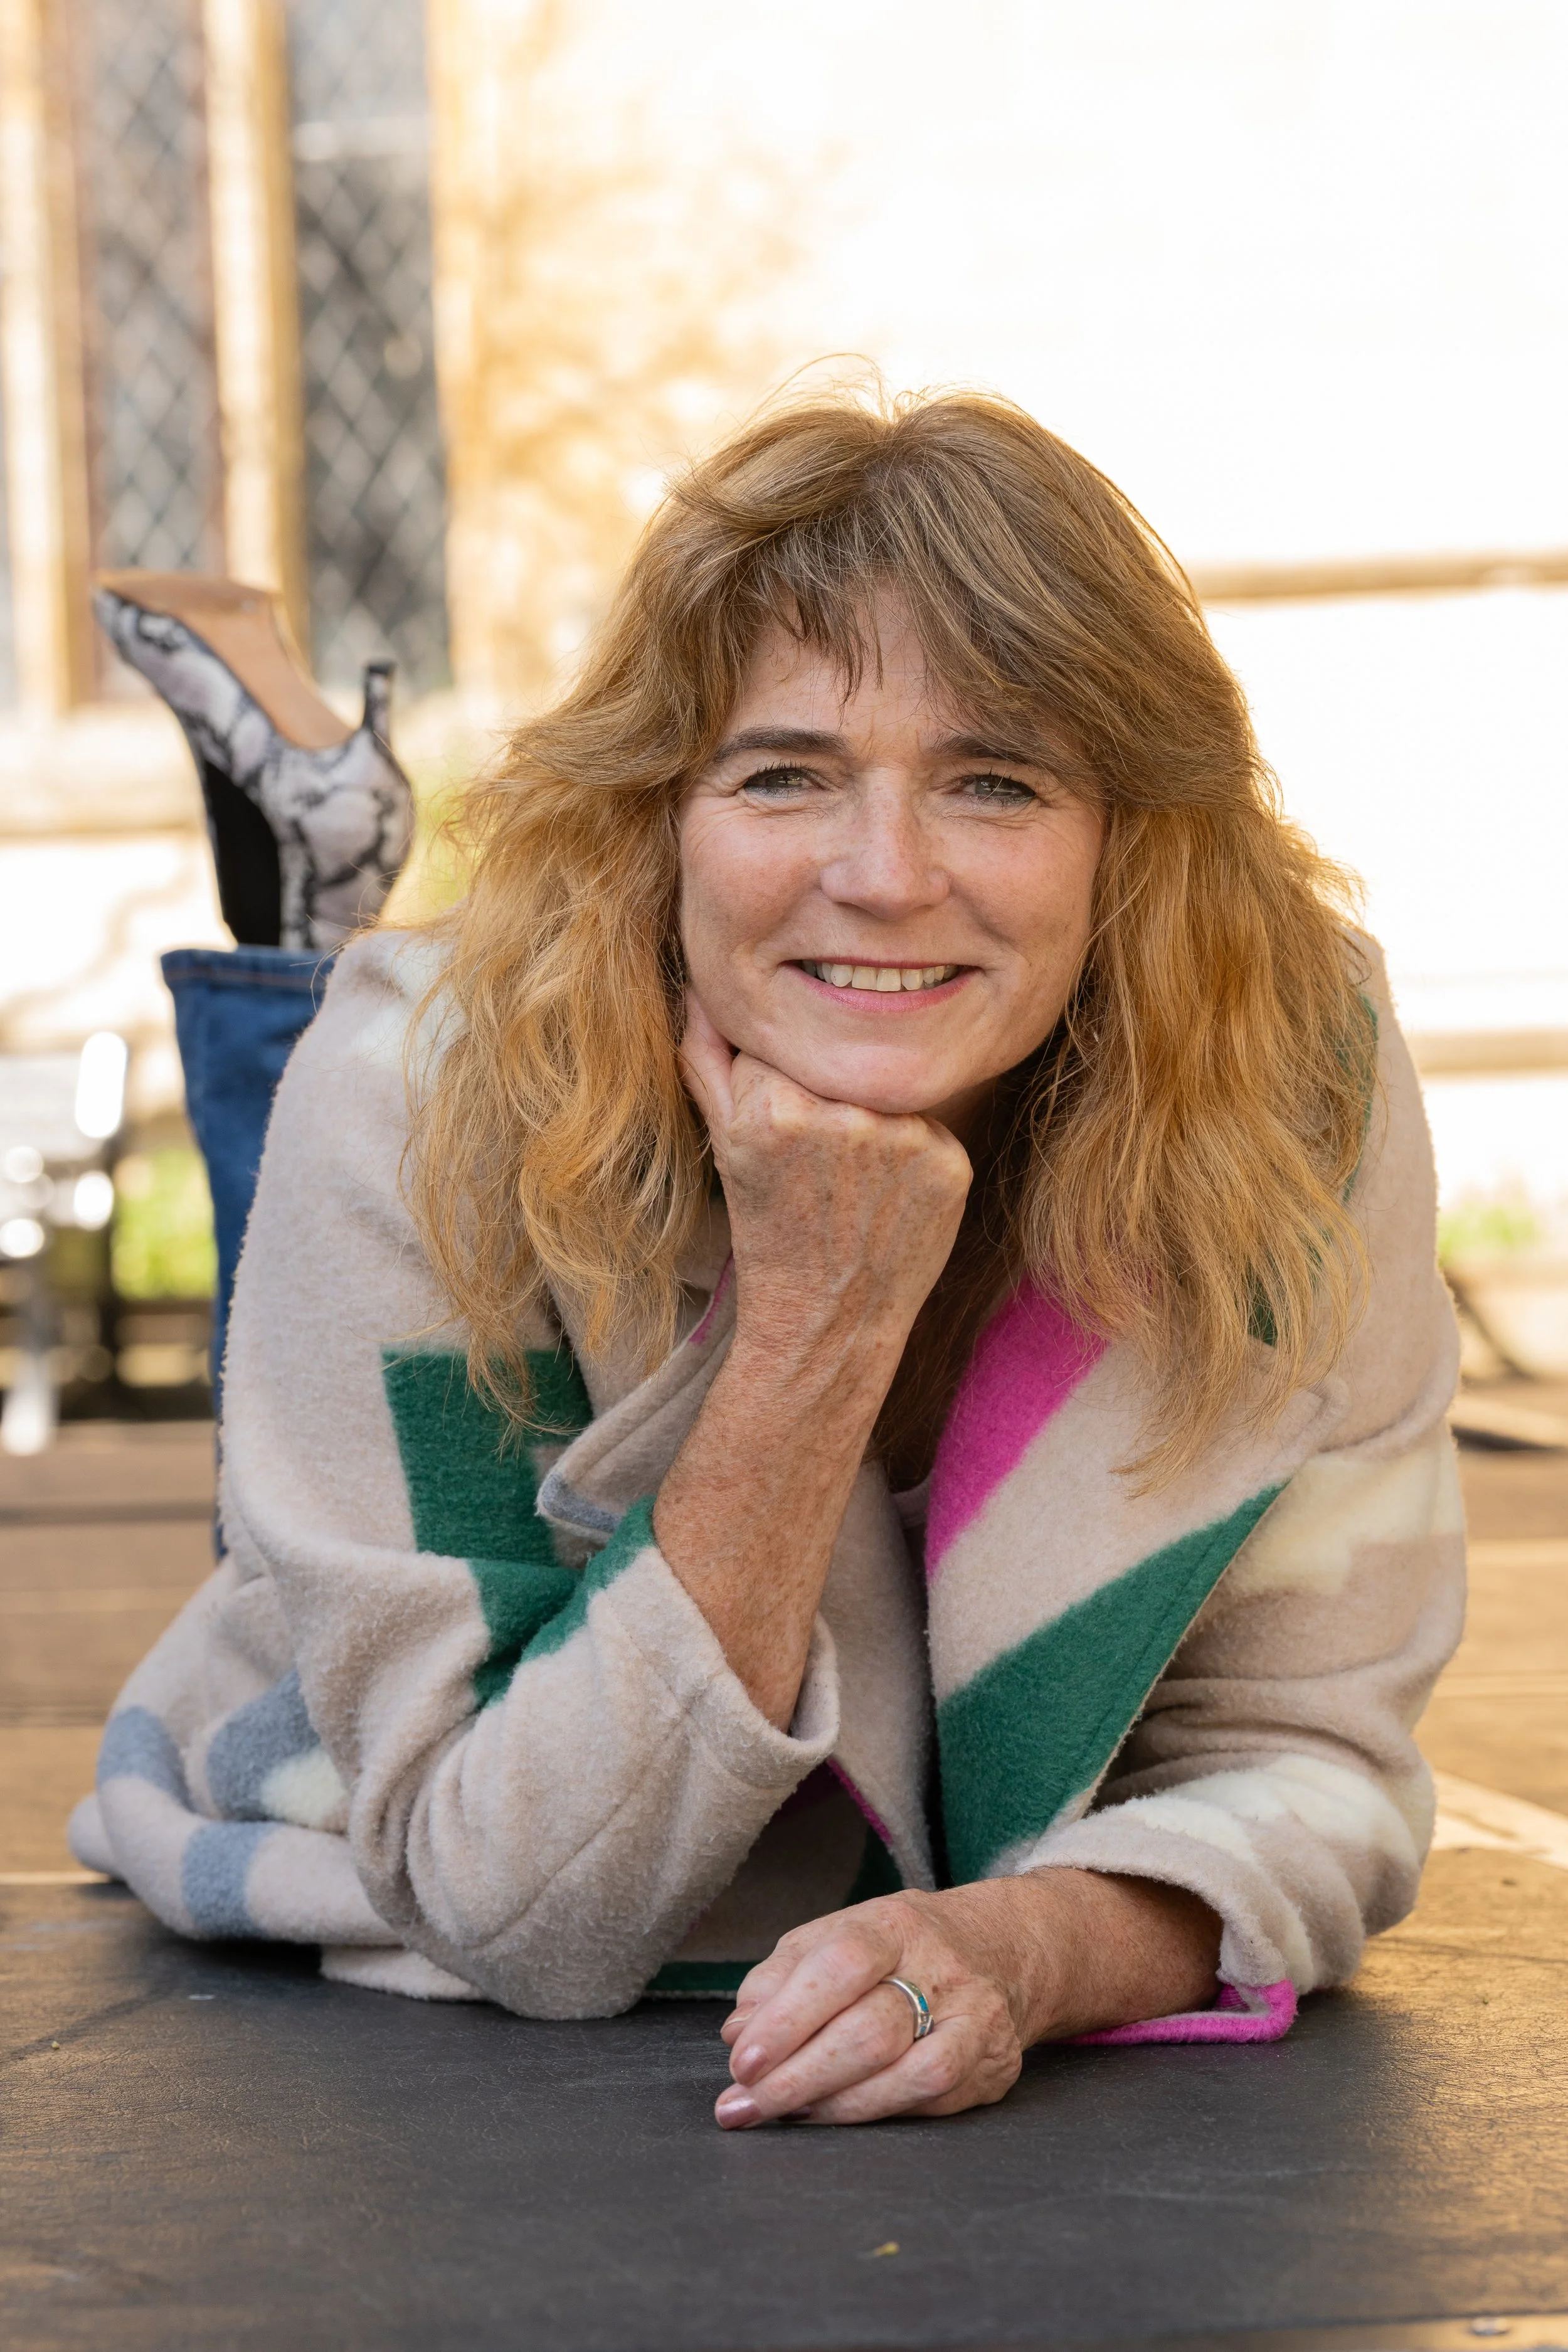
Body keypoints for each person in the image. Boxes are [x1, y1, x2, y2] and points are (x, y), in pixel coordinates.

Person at [72, 390, 1463, 2130]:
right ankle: (308, 928)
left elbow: (1312, 1752)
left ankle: (313, 866)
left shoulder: (1281, 1074)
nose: (882, 876)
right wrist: (816, 1322)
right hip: (440, 1824)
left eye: (995, 780)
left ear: (1128, 843)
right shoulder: (419, 1090)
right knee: (351, 1100)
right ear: (654, 817)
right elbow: (520, 1900)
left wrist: (1029, 1945)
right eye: (782, 772)